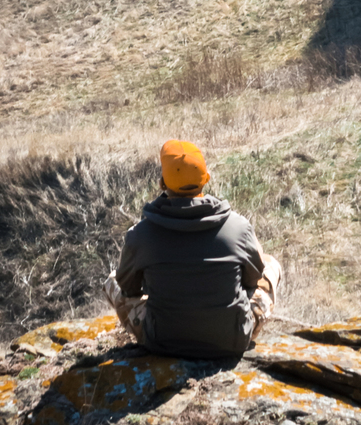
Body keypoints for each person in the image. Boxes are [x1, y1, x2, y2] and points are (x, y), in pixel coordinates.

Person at [109, 139, 282, 361]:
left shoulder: (140, 235)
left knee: (112, 280)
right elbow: (251, 281)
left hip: (161, 342)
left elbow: (128, 288)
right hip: (233, 340)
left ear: (162, 183)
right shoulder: (238, 227)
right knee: (270, 265)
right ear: (206, 178)